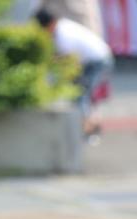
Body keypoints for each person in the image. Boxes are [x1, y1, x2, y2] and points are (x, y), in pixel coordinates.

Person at [35, 9, 115, 139]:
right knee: (83, 95)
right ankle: (89, 126)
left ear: (50, 24)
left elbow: (69, 62)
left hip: (97, 62)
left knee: (81, 95)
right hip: (93, 61)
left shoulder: (63, 34)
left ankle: (86, 131)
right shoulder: (63, 27)